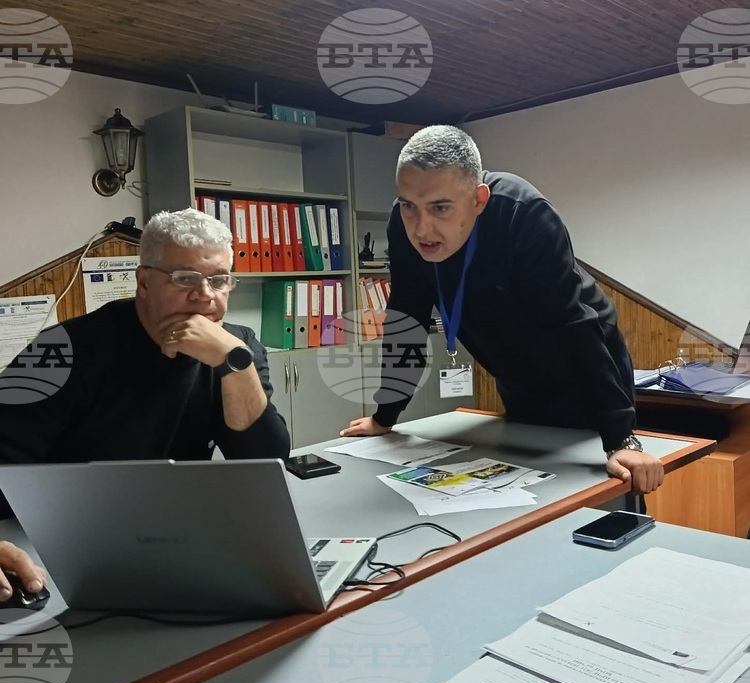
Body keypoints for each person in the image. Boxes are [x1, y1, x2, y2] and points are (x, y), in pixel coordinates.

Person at [341, 125, 664, 494]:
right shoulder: (403, 228)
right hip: (517, 375)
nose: (421, 228)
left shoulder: (523, 214)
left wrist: (621, 439)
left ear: (479, 199)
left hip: (585, 370)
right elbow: (407, 321)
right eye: (408, 206)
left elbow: (573, 325)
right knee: (534, 487)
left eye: (440, 207)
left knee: (602, 484)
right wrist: (385, 416)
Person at [0, 208, 290, 516]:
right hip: (71, 519)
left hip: (179, 519)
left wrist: (234, 362)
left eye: (218, 280)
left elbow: (267, 466)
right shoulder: (57, 350)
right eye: (185, 278)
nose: (205, 295)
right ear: (144, 282)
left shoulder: (237, 347)